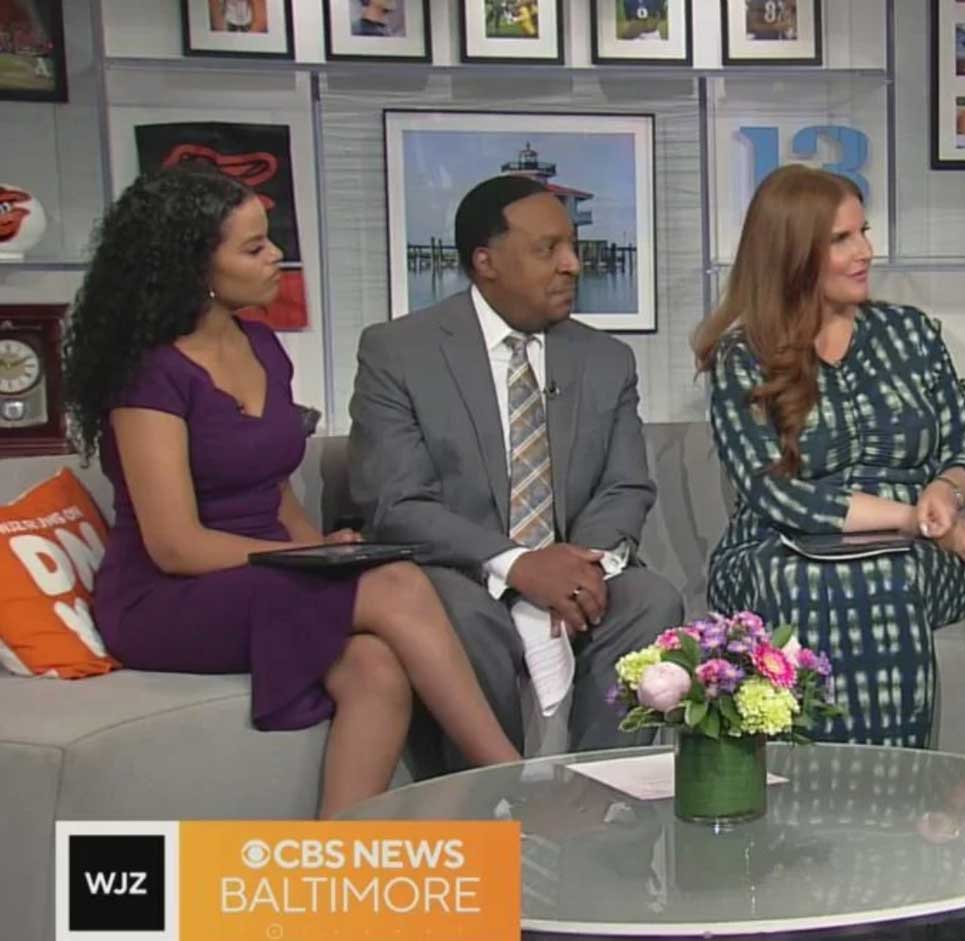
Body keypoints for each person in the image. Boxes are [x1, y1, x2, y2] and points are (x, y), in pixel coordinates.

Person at [67, 167, 519, 819]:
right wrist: (307, 562)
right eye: (254, 248)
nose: (277, 255)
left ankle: (337, 863)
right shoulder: (151, 375)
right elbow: (175, 545)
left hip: (265, 575)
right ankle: (509, 779)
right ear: (195, 267)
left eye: (270, 239)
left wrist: (323, 549)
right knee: (397, 583)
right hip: (167, 596)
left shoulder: (262, 346)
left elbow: (272, 489)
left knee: (374, 666)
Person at [349, 175, 682, 775]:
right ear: (487, 262)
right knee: (464, 615)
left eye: (572, 246)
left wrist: (579, 567)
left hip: (575, 566)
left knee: (651, 599)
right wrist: (519, 564)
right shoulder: (399, 351)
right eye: (547, 249)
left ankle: (598, 796)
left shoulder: (606, 359)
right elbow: (395, 502)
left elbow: (626, 484)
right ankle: (494, 798)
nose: (572, 264)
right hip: (462, 570)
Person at [693, 165, 965, 748]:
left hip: (916, 555)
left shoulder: (911, 334)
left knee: (885, 572)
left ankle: (888, 783)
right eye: (841, 240)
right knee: (802, 580)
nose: (865, 252)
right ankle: (816, 786)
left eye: (864, 232)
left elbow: (962, 451)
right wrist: (911, 517)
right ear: (792, 253)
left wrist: (943, 496)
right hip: (778, 545)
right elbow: (777, 494)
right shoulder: (743, 358)